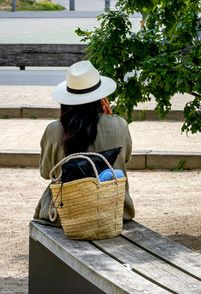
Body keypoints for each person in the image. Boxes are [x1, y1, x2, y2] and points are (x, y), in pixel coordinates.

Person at [34, 60, 135, 225]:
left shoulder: (54, 130)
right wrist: (111, 119)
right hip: (114, 209)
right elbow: (124, 159)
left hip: (65, 212)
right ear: (100, 98)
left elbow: (46, 173)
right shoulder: (120, 125)